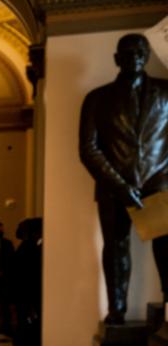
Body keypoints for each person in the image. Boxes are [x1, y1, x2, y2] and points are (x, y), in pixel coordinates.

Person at [79, 33, 168, 324]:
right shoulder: (97, 98)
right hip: (112, 188)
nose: (135, 58)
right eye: (128, 53)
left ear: (148, 55)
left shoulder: (166, 93)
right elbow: (88, 149)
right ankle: (117, 309)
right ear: (117, 58)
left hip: (158, 184)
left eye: (140, 52)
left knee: (166, 246)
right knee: (116, 250)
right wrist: (119, 186)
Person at [12, 217, 43, 346]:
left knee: (31, 336)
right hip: (24, 299)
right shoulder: (28, 246)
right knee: (26, 335)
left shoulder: (33, 248)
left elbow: (30, 277)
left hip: (30, 300)